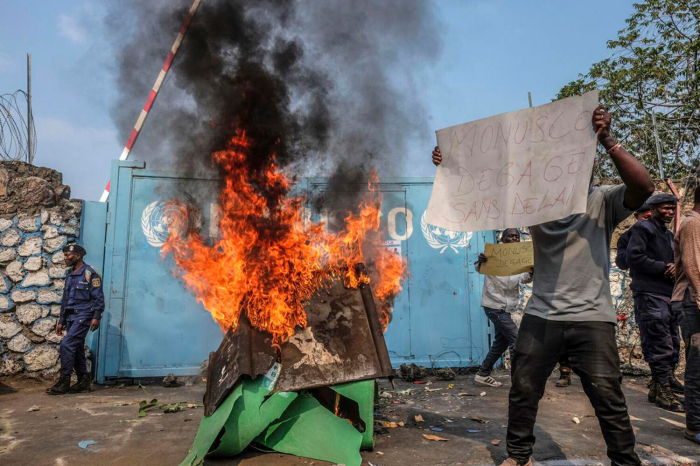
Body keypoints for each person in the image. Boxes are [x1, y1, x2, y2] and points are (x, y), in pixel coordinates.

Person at [433, 104, 653, 466]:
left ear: (590, 167)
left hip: (592, 317)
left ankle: (625, 461)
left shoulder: (603, 200)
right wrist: (450, 162)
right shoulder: (534, 206)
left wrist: (607, 139)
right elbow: (483, 186)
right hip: (542, 315)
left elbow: (643, 186)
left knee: (608, 398)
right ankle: (519, 457)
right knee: (523, 391)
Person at [627, 193, 683, 412]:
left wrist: (674, 266)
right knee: (659, 342)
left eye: (672, 209)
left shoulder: (667, 234)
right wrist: (663, 268)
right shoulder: (643, 229)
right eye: (665, 208)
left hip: (667, 294)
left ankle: (659, 385)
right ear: (653, 209)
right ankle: (663, 390)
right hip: (649, 294)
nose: (669, 212)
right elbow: (634, 257)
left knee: (671, 341)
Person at [472, 228, 532, 388]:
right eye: (510, 236)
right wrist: (481, 261)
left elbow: (525, 278)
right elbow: (478, 268)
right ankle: (518, 381)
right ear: (502, 238)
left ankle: (482, 374)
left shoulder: (520, 258)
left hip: (507, 307)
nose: (513, 238)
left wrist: (532, 272)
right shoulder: (493, 256)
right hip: (493, 305)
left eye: (516, 236)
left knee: (501, 342)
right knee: (516, 340)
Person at [47, 243, 105, 395]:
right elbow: (66, 300)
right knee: (77, 348)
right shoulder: (70, 274)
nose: (65, 258)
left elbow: (98, 298)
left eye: (68, 255)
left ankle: (64, 380)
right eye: (65, 255)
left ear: (77, 256)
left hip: (84, 315)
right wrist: (61, 320)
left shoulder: (89, 273)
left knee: (67, 344)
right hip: (71, 316)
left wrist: (96, 317)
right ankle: (83, 380)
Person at [672, 185, 700, 443]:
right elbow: (693, 266)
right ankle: (694, 426)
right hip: (693, 301)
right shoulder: (693, 224)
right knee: (697, 365)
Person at [615, 203, 652, 271]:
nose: (651, 221)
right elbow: (621, 263)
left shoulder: (667, 235)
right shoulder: (627, 237)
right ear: (636, 216)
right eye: (646, 217)